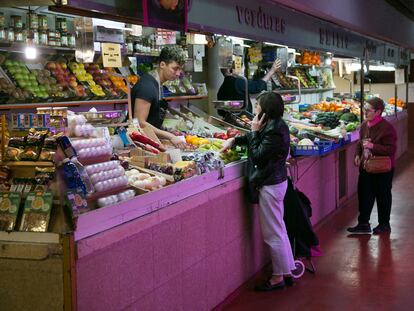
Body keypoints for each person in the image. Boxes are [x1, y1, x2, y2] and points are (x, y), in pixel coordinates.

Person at [220, 91, 295, 291]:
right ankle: (287, 271)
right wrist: (234, 141)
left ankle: (278, 277)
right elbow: (259, 141)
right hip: (275, 182)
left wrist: (253, 132)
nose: (255, 109)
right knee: (279, 229)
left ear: (265, 110)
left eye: (258, 106)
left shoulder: (275, 130)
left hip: (270, 185)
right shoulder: (273, 125)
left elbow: (259, 156)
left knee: (273, 234)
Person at [347, 97, 397, 235]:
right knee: (364, 195)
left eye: (368, 110)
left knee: (383, 196)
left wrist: (372, 146)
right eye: (364, 110)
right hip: (366, 167)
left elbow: (390, 149)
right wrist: (357, 155)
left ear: (378, 112)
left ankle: (384, 224)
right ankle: (363, 223)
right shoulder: (364, 125)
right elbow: (359, 142)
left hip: (383, 169)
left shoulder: (387, 128)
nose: (365, 113)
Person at [131, 45, 186, 148]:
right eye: (175, 69)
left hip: (148, 142)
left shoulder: (157, 84)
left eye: (180, 69)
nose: (178, 73)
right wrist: (170, 136)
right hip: (135, 144)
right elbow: (139, 122)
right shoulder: (147, 87)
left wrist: (167, 131)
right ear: (162, 64)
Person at [217, 59, 281, 113]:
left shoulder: (221, 89)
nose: (240, 69)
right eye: (237, 67)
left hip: (230, 120)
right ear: (230, 70)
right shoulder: (238, 81)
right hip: (242, 119)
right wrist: (272, 71)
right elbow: (257, 87)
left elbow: (220, 112)